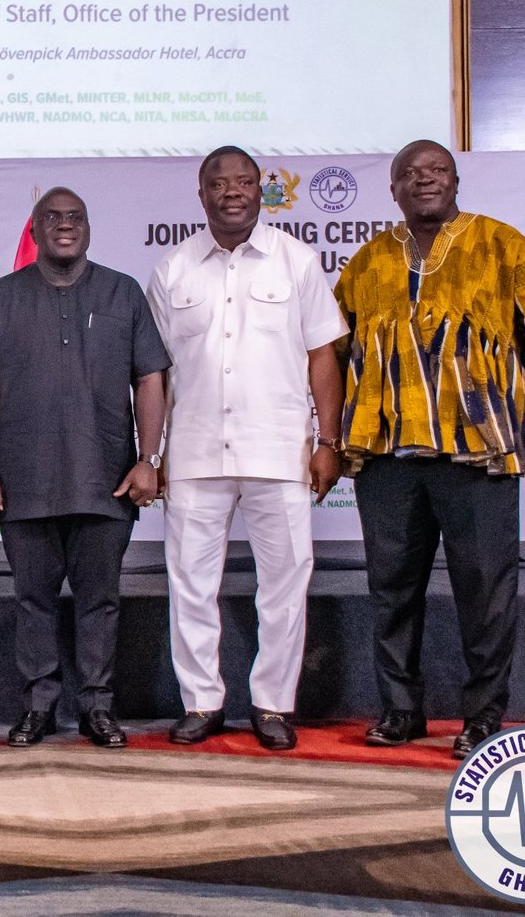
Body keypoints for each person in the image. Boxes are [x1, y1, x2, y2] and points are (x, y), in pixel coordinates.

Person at [336, 140, 525, 758]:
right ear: (393, 190)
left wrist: (478, 385)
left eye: (437, 170)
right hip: (388, 457)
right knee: (391, 589)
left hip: (477, 456)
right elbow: (338, 350)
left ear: (456, 182)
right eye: (410, 173)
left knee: (486, 592)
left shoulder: (503, 246)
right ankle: (401, 711)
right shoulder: (367, 261)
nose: (424, 180)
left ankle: (483, 716)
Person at [147, 147, 347, 752]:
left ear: (262, 190)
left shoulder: (297, 261)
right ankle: (201, 702)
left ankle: (272, 703)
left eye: (243, 182)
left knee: (285, 581)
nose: (231, 192)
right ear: (201, 194)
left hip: (279, 449)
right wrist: (153, 454)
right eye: (219, 183)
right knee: (190, 583)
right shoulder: (173, 268)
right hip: (194, 452)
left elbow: (322, 355)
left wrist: (329, 440)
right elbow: (152, 372)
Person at [0, 188, 169, 749]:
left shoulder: (123, 291)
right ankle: (38, 707)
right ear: (34, 229)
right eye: (51, 217)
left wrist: (149, 460)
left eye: (75, 217)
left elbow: (150, 377)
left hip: (107, 480)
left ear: (89, 228)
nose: (64, 225)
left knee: (101, 603)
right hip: (23, 482)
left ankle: (98, 708)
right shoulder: (0, 297)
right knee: (33, 603)